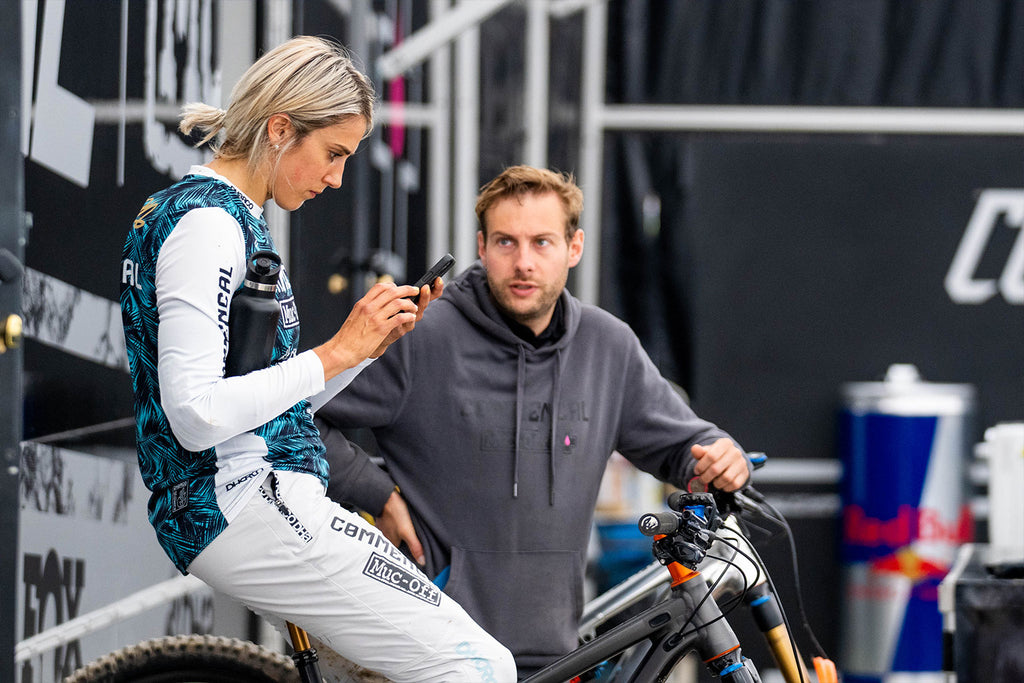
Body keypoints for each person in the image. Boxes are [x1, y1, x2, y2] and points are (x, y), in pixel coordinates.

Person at [119, 36, 515, 682]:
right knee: (481, 666)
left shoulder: (219, 217)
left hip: (250, 495)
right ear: (280, 128)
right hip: (241, 500)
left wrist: (366, 350)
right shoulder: (208, 226)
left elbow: (260, 406)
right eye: (333, 154)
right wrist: (336, 351)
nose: (335, 178)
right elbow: (194, 415)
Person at [315, 164, 751, 676]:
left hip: (557, 652)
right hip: (435, 650)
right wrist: (378, 494)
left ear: (575, 247)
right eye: (505, 242)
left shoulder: (607, 346)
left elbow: (684, 447)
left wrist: (721, 456)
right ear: (481, 247)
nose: (523, 262)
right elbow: (298, 416)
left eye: (542, 242)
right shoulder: (420, 336)